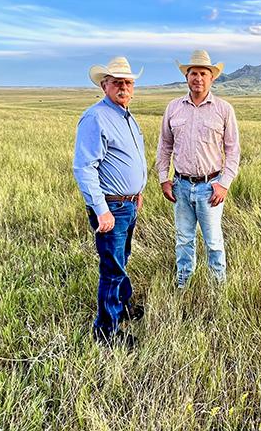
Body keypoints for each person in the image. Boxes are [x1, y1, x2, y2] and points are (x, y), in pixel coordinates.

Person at [73, 56, 147, 348]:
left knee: (121, 258)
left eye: (128, 82)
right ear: (104, 85)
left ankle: (123, 305)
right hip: (111, 207)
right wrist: (101, 210)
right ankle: (106, 331)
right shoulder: (96, 117)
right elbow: (84, 167)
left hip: (128, 204)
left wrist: (137, 192)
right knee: (112, 267)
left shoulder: (126, 116)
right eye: (117, 82)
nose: (123, 87)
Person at [156, 50, 240, 289]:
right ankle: (183, 284)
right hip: (181, 185)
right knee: (183, 240)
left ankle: (218, 288)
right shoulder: (173, 108)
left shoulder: (224, 109)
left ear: (212, 78)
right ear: (187, 77)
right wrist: (164, 178)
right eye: (194, 73)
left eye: (204, 73)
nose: (198, 78)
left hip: (210, 186)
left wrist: (224, 183)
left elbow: (233, 150)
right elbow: (165, 146)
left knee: (213, 242)